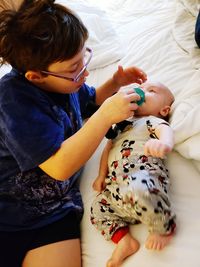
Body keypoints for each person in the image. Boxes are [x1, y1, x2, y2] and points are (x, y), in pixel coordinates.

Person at [0, 1, 147, 267]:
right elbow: (59, 166)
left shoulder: (66, 84)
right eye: (74, 68)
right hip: (8, 212)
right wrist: (104, 117)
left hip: (55, 211)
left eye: (84, 58)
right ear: (35, 77)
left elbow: (90, 100)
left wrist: (115, 83)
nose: (85, 72)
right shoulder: (12, 101)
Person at [90, 82, 176, 267]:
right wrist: (100, 175)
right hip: (117, 188)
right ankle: (124, 240)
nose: (142, 92)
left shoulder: (151, 121)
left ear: (164, 109)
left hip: (143, 176)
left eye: (151, 91)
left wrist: (164, 144)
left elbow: (165, 131)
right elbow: (108, 149)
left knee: (141, 188)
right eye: (141, 88)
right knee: (97, 207)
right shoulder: (121, 125)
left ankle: (163, 228)